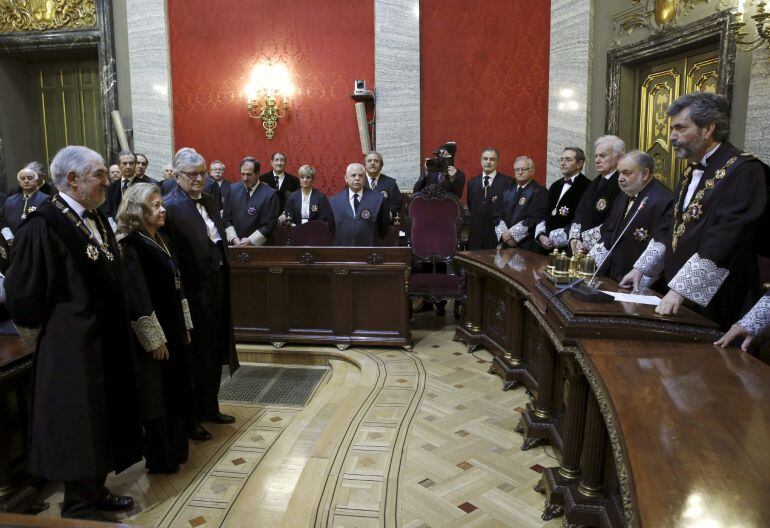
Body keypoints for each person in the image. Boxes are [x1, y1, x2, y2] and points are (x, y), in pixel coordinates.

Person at [5, 145, 142, 521]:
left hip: (104, 343)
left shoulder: (95, 216)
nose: (107, 180)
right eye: (99, 174)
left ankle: (96, 490)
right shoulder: (44, 223)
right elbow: (25, 294)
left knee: (102, 418)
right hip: (70, 348)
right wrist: (48, 340)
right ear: (72, 179)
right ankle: (78, 505)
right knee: (78, 423)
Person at [620, 93, 770, 329]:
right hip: (679, 297)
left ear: (708, 128)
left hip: (722, 301)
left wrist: (681, 290)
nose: (671, 137)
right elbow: (670, 225)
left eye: (680, 128)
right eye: (672, 129)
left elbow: (727, 236)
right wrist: (642, 268)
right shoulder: (689, 172)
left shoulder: (745, 170)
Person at [117, 183, 194, 473]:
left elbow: (177, 284)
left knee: (175, 389)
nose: (163, 210)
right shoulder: (130, 245)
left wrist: (185, 324)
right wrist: (154, 340)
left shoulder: (161, 238)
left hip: (173, 328)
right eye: (156, 206)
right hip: (154, 336)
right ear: (139, 211)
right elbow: (137, 296)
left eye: (162, 204)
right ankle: (160, 456)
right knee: (156, 397)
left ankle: (176, 447)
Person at [162, 148, 238, 440]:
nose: (198, 179)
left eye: (202, 173)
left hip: (216, 287)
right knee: (194, 354)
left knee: (214, 347)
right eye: (191, 174)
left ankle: (210, 406)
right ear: (177, 175)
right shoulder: (170, 206)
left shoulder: (210, 200)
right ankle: (190, 416)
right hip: (192, 292)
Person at [588, 150, 673, 285]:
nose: (620, 178)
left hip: (640, 283)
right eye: (619, 173)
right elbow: (609, 230)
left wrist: (639, 272)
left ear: (645, 174)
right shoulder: (624, 195)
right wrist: (588, 264)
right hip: (613, 277)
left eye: (626, 173)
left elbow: (662, 243)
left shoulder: (665, 200)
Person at [569, 136, 624, 253]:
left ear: (618, 158)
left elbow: (615, 220)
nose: (597, 160)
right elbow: (579, 213)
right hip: (581, 250)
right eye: (596, 156)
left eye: (603, 156)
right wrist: (574, 239)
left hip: (605, 249)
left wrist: (585, 241)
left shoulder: (622, 184)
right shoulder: (594, 182)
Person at [535, 147, 590, 252]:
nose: (563, 163)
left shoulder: (587, 186)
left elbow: (582, 219)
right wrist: (541, 236)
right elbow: (543, 212)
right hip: (545, 246)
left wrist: (554, 239)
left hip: (568, 249)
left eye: (568, 160)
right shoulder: (555, 185)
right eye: (561, 159)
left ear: (579, 164)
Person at [494, 156, 547, 253]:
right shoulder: (507, 191)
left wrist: (512, 236)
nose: (520, 172)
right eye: (517, 169)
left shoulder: (539, 192)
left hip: (526, 245)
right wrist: (505, 236)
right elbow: (497, 214)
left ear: (532, 170)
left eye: (523, 169)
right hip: (505, 243)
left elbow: (533, 218)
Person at [329, 163, 389, 246]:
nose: (357, 178)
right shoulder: (334, 201)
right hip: (343, 249)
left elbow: (384, 227)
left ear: (365, 178)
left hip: (370, 248)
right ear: (346, 178)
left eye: (361, 175)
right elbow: (332, 227)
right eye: (353, 175)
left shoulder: (378, 199)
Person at [224, 157, 280, 246]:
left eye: (249, 174)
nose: (245, 178)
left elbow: (270, 225)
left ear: (258, 174)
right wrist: (234, 239)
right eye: (243, 174)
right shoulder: (232, 190)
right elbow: (226, 219)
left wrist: (251, 240)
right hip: (234, 245)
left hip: (260, 249)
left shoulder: (270, 194)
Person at [466, 148, 513, 250]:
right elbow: (471, 207)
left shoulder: (508, 182)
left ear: (497, 162)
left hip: (497, 238)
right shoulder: (472, 183)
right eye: (485, 158)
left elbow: (509, 211)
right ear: (481, 160)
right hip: (475, 238)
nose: (488, 162)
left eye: (492, 159)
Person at [2, 166, 50, 242]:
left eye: (30, 178)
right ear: (19, 182)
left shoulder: (47, 200)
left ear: (37, 180)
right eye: (23, 179)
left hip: (37, 243)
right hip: (14, 243)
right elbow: (3, 222)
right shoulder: (10, 200)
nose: (26, 181)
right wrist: (9, 238)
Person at [105, 150, 154, 218]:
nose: (128, 167)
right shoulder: (112, 187)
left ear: (135, 164)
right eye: (124, 163)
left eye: (131, 163)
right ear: (119, 165)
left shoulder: (144, 185)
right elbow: (108, 211)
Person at [364, 151, 402, 219]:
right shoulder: (356, 183)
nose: (372, 163)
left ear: (381, 165)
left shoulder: (391, 183)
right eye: (369, 161)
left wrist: (386, 217)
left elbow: (397, 204)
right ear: (365, 165)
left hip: (384, 224)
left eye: (376, 161)